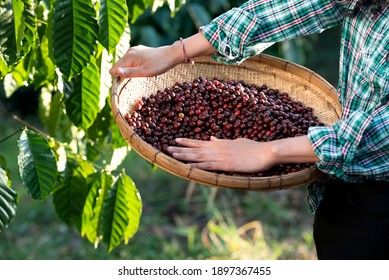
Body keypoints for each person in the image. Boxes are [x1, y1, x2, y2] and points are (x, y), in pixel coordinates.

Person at [110, 0, 389, 260]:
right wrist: (177, 51)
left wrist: (269, 150)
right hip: (342, 181)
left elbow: (381, 131)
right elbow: (296, 5)